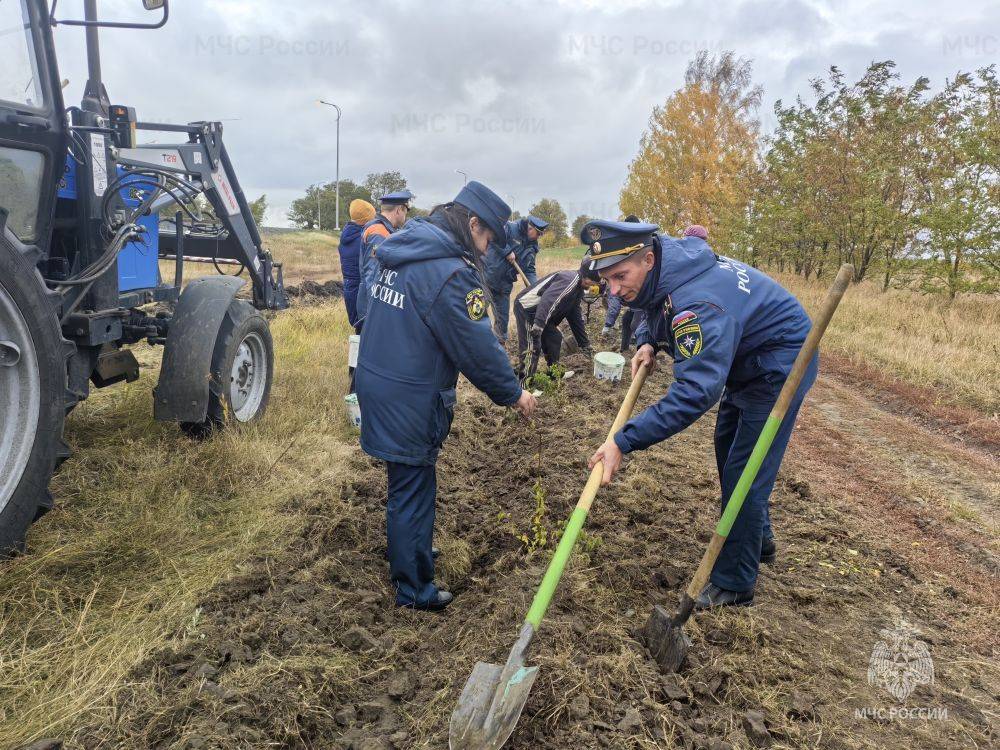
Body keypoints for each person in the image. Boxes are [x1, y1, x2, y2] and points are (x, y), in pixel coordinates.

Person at [582, 219, 817, 609]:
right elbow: (650, 302)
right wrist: (646, 341)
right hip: (747, 356)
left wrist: (624, 440)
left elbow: (695, 392)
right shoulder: (669, 263)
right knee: (728, 447)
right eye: (608, 281)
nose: (615, 290)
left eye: (620, 276)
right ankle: (759, 540)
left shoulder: (697, 304)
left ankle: (734, 582)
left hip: (780, 364)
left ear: (648, 259)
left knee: (746, 470)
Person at [355, 181, 537, 612]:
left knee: (406, 481)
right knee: (413, 486)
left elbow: (365, 307)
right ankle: (414, 587)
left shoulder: (401, 249)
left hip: (378, 378)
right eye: (488, 237)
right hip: (410, 395)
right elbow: (477, 347)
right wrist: (514, 394)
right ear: (472, 224)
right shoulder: (450, 273)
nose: (489, 247)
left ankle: (411, 549)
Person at [513, 260, 596, 379]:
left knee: (554, 337)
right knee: (532, 346)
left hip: (542, 313)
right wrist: (539, 324)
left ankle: (555, 373)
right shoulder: (570, 280)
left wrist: (585, 344)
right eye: (593, 282)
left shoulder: (578, 290)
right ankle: (524, 383)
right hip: (527, 309)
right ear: (586, 276)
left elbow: (575, 318)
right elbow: (548, 299)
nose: (593, 285)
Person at [483, 215, 548, 341]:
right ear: (530, 228)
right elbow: (494, 235)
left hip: (504, 285)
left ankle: (500, 346)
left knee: (502, 320)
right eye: (538, 234)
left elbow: (529, 269)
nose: (539, 237)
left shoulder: (532, 247)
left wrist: (535, 287)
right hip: (487, 279)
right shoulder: (510, 228)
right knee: (476, 313)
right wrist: (507, 251)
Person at [356, 189, 414, 322]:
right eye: (406, 211)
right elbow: (374, 274)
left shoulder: (382, 229)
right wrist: (376, 314)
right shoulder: (379, 233)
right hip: (372, 309)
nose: (405, 216)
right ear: (399, 210)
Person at [339, 198, 376, 331]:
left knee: (359, 327)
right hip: (360, 289)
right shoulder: (362, 239)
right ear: (366, 219)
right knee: (365, 328)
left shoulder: (347, 235)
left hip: (350, 286)